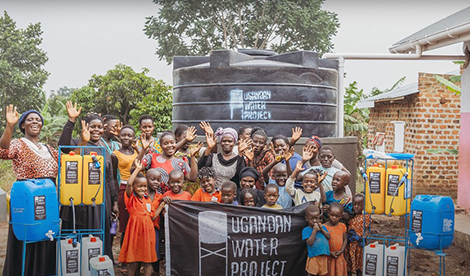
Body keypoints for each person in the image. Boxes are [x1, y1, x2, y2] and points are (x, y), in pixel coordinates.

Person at [0, 104, 66, 276]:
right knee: (27, 239)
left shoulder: (48, 149)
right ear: (23, 125)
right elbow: (3, 150)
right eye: (30, 119)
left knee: (46, 236)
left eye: (38, 119)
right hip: (28, 200)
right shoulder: (18, 144)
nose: (35, 122)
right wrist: (9, 126)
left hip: (49, 201)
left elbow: (66, 158)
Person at [58, 108, 119, 263]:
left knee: (99, 235)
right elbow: (63, 149)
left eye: (99, 127)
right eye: (93, 126)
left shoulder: (104, 150)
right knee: (78, 235)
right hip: (79, 200)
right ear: (85, 127)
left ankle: (98, 265)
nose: (96, 130)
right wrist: (72, 123)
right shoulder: (76, 143)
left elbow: (110, 178)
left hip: (100, 201)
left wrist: (115, 201)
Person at [118, 159, 165, 276]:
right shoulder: (131, 199)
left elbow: (152, 217)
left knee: (148, 263)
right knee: (133, 263)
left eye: (144, 186)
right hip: (134, 233)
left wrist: (161, 206)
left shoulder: (147, 200)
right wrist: (138, 169)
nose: (142, 189)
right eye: (139, 186)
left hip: (148, 234)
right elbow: (129, 183)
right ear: (134, 187)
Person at [198, 123, 248, 189]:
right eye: (224, 141)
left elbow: (240, 175)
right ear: (220, 142)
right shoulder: (213, 157)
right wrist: (209, 148)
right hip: (214, 194)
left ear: (234, 143)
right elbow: (201, 167)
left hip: (231, 195)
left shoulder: (239, 159)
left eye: (230, 141)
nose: (227, 143)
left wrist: (240, 153)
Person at [111, 125, 138, 243]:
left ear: (133, 137)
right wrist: (115, 200)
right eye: (123, 135)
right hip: (123, 188)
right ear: (119, 137)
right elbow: (112, 177)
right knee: (125, 224)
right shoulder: (115, 154)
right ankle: (124, 257)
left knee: (136, 222)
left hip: (137, 189)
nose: (126, 137)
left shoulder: (137, 151)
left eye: (129, 135)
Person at [346, 194, 371, 276]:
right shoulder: (350, 216)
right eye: (354, 204)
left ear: (364, 206)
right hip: (350, 245)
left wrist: (365, 236)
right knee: (348, 265)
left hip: (359, 246)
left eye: (359, 205)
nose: (356, 207)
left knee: (359, 266)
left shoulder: (366, 217)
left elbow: (367, 230)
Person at [303, 204, 331, 276]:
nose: (315, 221)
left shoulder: (322, 227)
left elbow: (329, 237)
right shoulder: (306, 230)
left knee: (323, 274)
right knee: (312, 274)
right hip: (314, 257)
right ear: (306, 218)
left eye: (317, 218)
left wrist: (322, 229)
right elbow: (310, 242)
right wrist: (314, 231)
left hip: (323, 257)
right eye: (312, 219)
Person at [324, 202, 348, 276]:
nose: (334, 218)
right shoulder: (323, 227)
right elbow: (321, 243)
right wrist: (330, 252)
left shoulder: (342, 226)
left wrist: (341, 251)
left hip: (339, 257)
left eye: (337, 216)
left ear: (341, 216)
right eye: (332, 215)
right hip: (328, 257)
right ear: (328, 213)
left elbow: (345, 239)